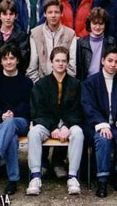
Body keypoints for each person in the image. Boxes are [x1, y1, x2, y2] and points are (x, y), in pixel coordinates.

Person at [26, 47, 84, 196]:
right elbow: (37, 110)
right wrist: (53, 128)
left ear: (67, 63)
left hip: (67, 124)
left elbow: (77, 109)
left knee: (78, 132)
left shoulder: (75, 84)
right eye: (57, 60)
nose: (60, 64)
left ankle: (72, 176)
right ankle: (35, 176)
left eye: (63, 61)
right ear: (51, 62)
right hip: (47, 123)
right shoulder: (41, 84)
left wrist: (66, 126)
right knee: (33, 133)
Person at [81, 47, 117, 198]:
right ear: (102, 61)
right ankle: (102, 180)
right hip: (96, 125)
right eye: (110, 60)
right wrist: (102, 124)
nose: (113, 65)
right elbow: (88, 106)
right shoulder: (91, 82)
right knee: (103, 139)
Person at [0, 45, 33, 195]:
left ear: (17, 60)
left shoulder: (26, 82)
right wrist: (1, 115)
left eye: (12, 58)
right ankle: (12, 181)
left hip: (20, 122)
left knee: (10, 124)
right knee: (10, 137)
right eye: (5, 58)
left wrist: (13, 114)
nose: (9, 61)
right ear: (1, 62)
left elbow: (29, 107)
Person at [26, 0, 77, 83]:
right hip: (42, 82)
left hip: (64, 83)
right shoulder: (35, 33)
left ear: (61, 14)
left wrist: (65, 84)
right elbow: (33, 65)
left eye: (56, 12)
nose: (53, 15)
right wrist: (39, 85)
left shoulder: (70, 34)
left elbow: (72, 64)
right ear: (45, 14)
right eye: (50, 12)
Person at [76, 7, 116, 82]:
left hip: (104, 81)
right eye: (94, 23)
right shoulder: (81, 42)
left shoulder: (111, 41)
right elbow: (79, 68)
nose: (97, 27)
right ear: (89, 24)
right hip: (86, 82)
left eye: (101, 24)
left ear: (105, 25)